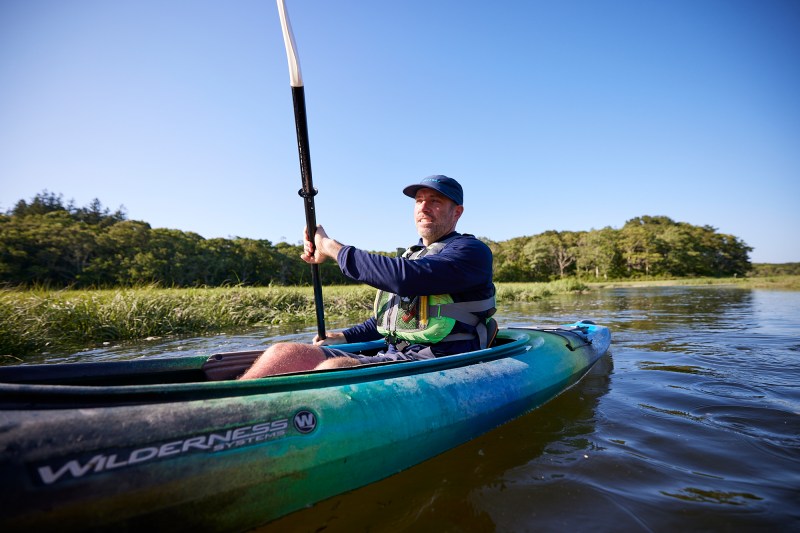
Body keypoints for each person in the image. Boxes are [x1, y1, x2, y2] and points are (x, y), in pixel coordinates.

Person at [238, 175, 496, 379]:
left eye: (435, 201)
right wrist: (344, 337)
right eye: (419, 201)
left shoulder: (471, 252)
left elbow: (404, 279)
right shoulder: (411, 256)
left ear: (457, 212)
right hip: (395, 353)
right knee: (285, 352)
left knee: (333, 368)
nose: (424, 208)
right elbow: (393, 318)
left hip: (438, 358)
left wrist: (329, 247)